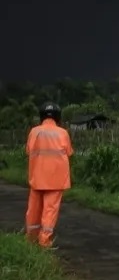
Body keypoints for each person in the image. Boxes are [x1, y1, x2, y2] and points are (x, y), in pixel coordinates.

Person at [24, 102, 74, 249]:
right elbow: (69, 152)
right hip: (56, 180)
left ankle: (31, 240)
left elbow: (28, 151)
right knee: (49, 210)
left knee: (33, 209)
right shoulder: (63, 133)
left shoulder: (34, 132)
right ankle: (44, 242)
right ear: (58, 117)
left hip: (37, 178)